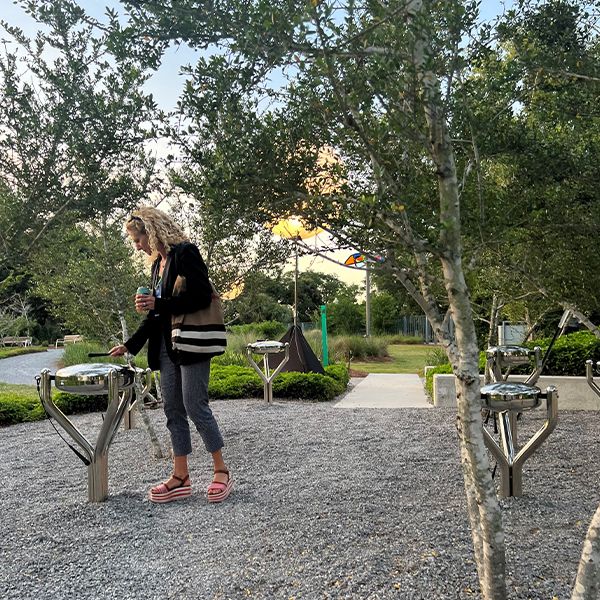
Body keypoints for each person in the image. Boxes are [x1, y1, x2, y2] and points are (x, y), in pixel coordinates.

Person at [110, 207, 232, 504]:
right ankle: (181, 477)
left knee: (194, 405)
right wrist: (131, 344)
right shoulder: (158, 266)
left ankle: (221, 471)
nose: (137, 246)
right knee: (173, 409)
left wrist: (159, 302)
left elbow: (202, 295)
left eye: (138, 239)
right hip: (166, 346)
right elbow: (157, 315)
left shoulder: (185, 253)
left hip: (191, 342)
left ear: (151, 232)